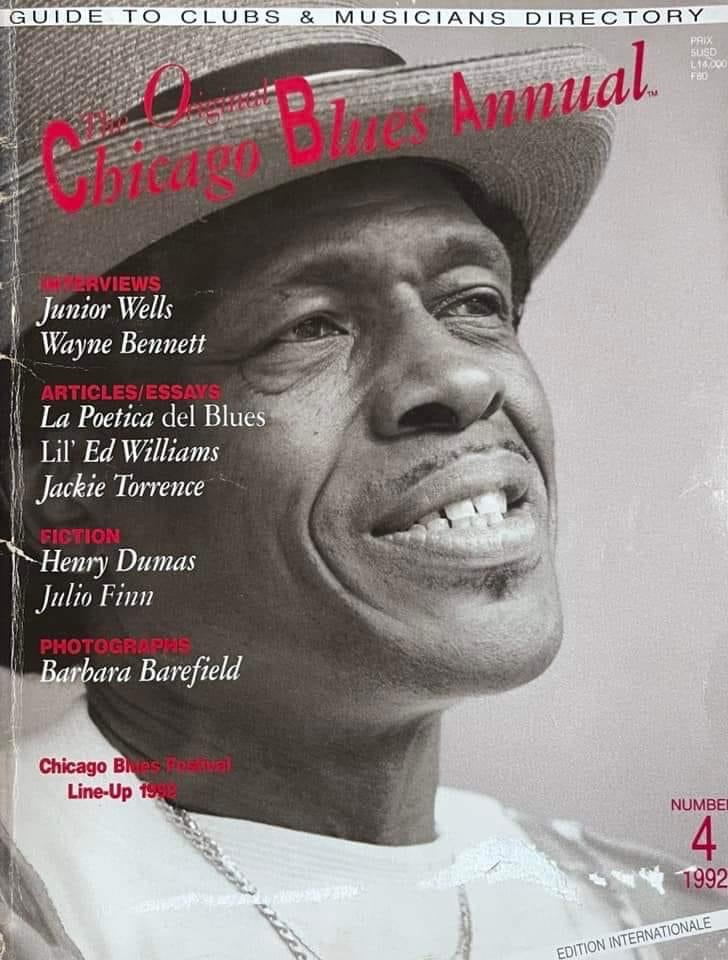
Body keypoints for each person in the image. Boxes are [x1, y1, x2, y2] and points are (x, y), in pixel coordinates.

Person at [0, 10, 724, 960]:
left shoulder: (658, 925)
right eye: (308, 326)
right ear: (66, 472)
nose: (462, 378)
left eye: (476, 302)